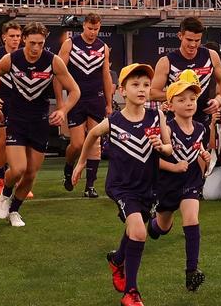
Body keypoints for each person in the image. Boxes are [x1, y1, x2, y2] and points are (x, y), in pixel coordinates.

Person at [74, 63, 174, 306]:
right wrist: (80, 164)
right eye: (135, 84)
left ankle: (117, 259)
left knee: (135, 229)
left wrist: (161, 147)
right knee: (139, 231)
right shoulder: (114, 121)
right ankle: (131, 292)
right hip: (121, 187)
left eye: (146, 85)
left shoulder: (156, 115)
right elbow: (91, 134)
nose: (142, 89)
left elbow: (170, 148)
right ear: (122, 90)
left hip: (147, 188)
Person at [0, 23, 80, 228]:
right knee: (19, 168)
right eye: (32, 43)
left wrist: (62, 110)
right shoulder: (11, 59)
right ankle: (5, 193)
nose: (35, 48)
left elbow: (75, 91)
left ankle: (15, 211)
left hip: (40, 122)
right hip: (16, 120)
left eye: (40, 44)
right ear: (23, 40)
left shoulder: (53, 61)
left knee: (31, 173)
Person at [145, 69, 210, 292]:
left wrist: (204, 157)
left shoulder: (202, 128)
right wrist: (174, 165)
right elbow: (154, 161)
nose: (189, 103)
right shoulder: (168, 129)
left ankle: (192, 271)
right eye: (181, 100)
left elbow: (198, 148)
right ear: (170, 105)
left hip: (190, 181)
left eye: (192, 99)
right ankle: (154, 224)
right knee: (162, 227)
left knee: (191, 219)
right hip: (167, 184)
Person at [58, 14, 115, 196]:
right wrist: (60, 102)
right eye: (90, 28)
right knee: (77, 144)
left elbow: (106, 75)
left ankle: (90, 186)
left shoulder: (103, 47)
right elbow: (58, 72)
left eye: (96, 29)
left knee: (95, 143)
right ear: (84, 26)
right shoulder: (70, 44)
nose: (93, 32)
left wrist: (109, 103)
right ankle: (68, 167)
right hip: (76, 98)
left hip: (96, 98)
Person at [149, 17, 221, 126]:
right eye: (189, 40)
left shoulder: (211, 55)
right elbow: (153, 93)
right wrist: (178, 92)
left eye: (197, 40)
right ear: (180, 36)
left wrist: (218, 99)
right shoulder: (166, 62)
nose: (193, 45)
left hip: (204, 119)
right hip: (175, 123)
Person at [0, 22, 23, 195]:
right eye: (12, 36)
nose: (15, 39)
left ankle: (19, 179)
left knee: (20, 143)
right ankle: (1, 178)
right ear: (4, 37)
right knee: (0, 143)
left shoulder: (25, 55)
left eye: (18, 36)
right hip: (0, 104)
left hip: (20, 105)